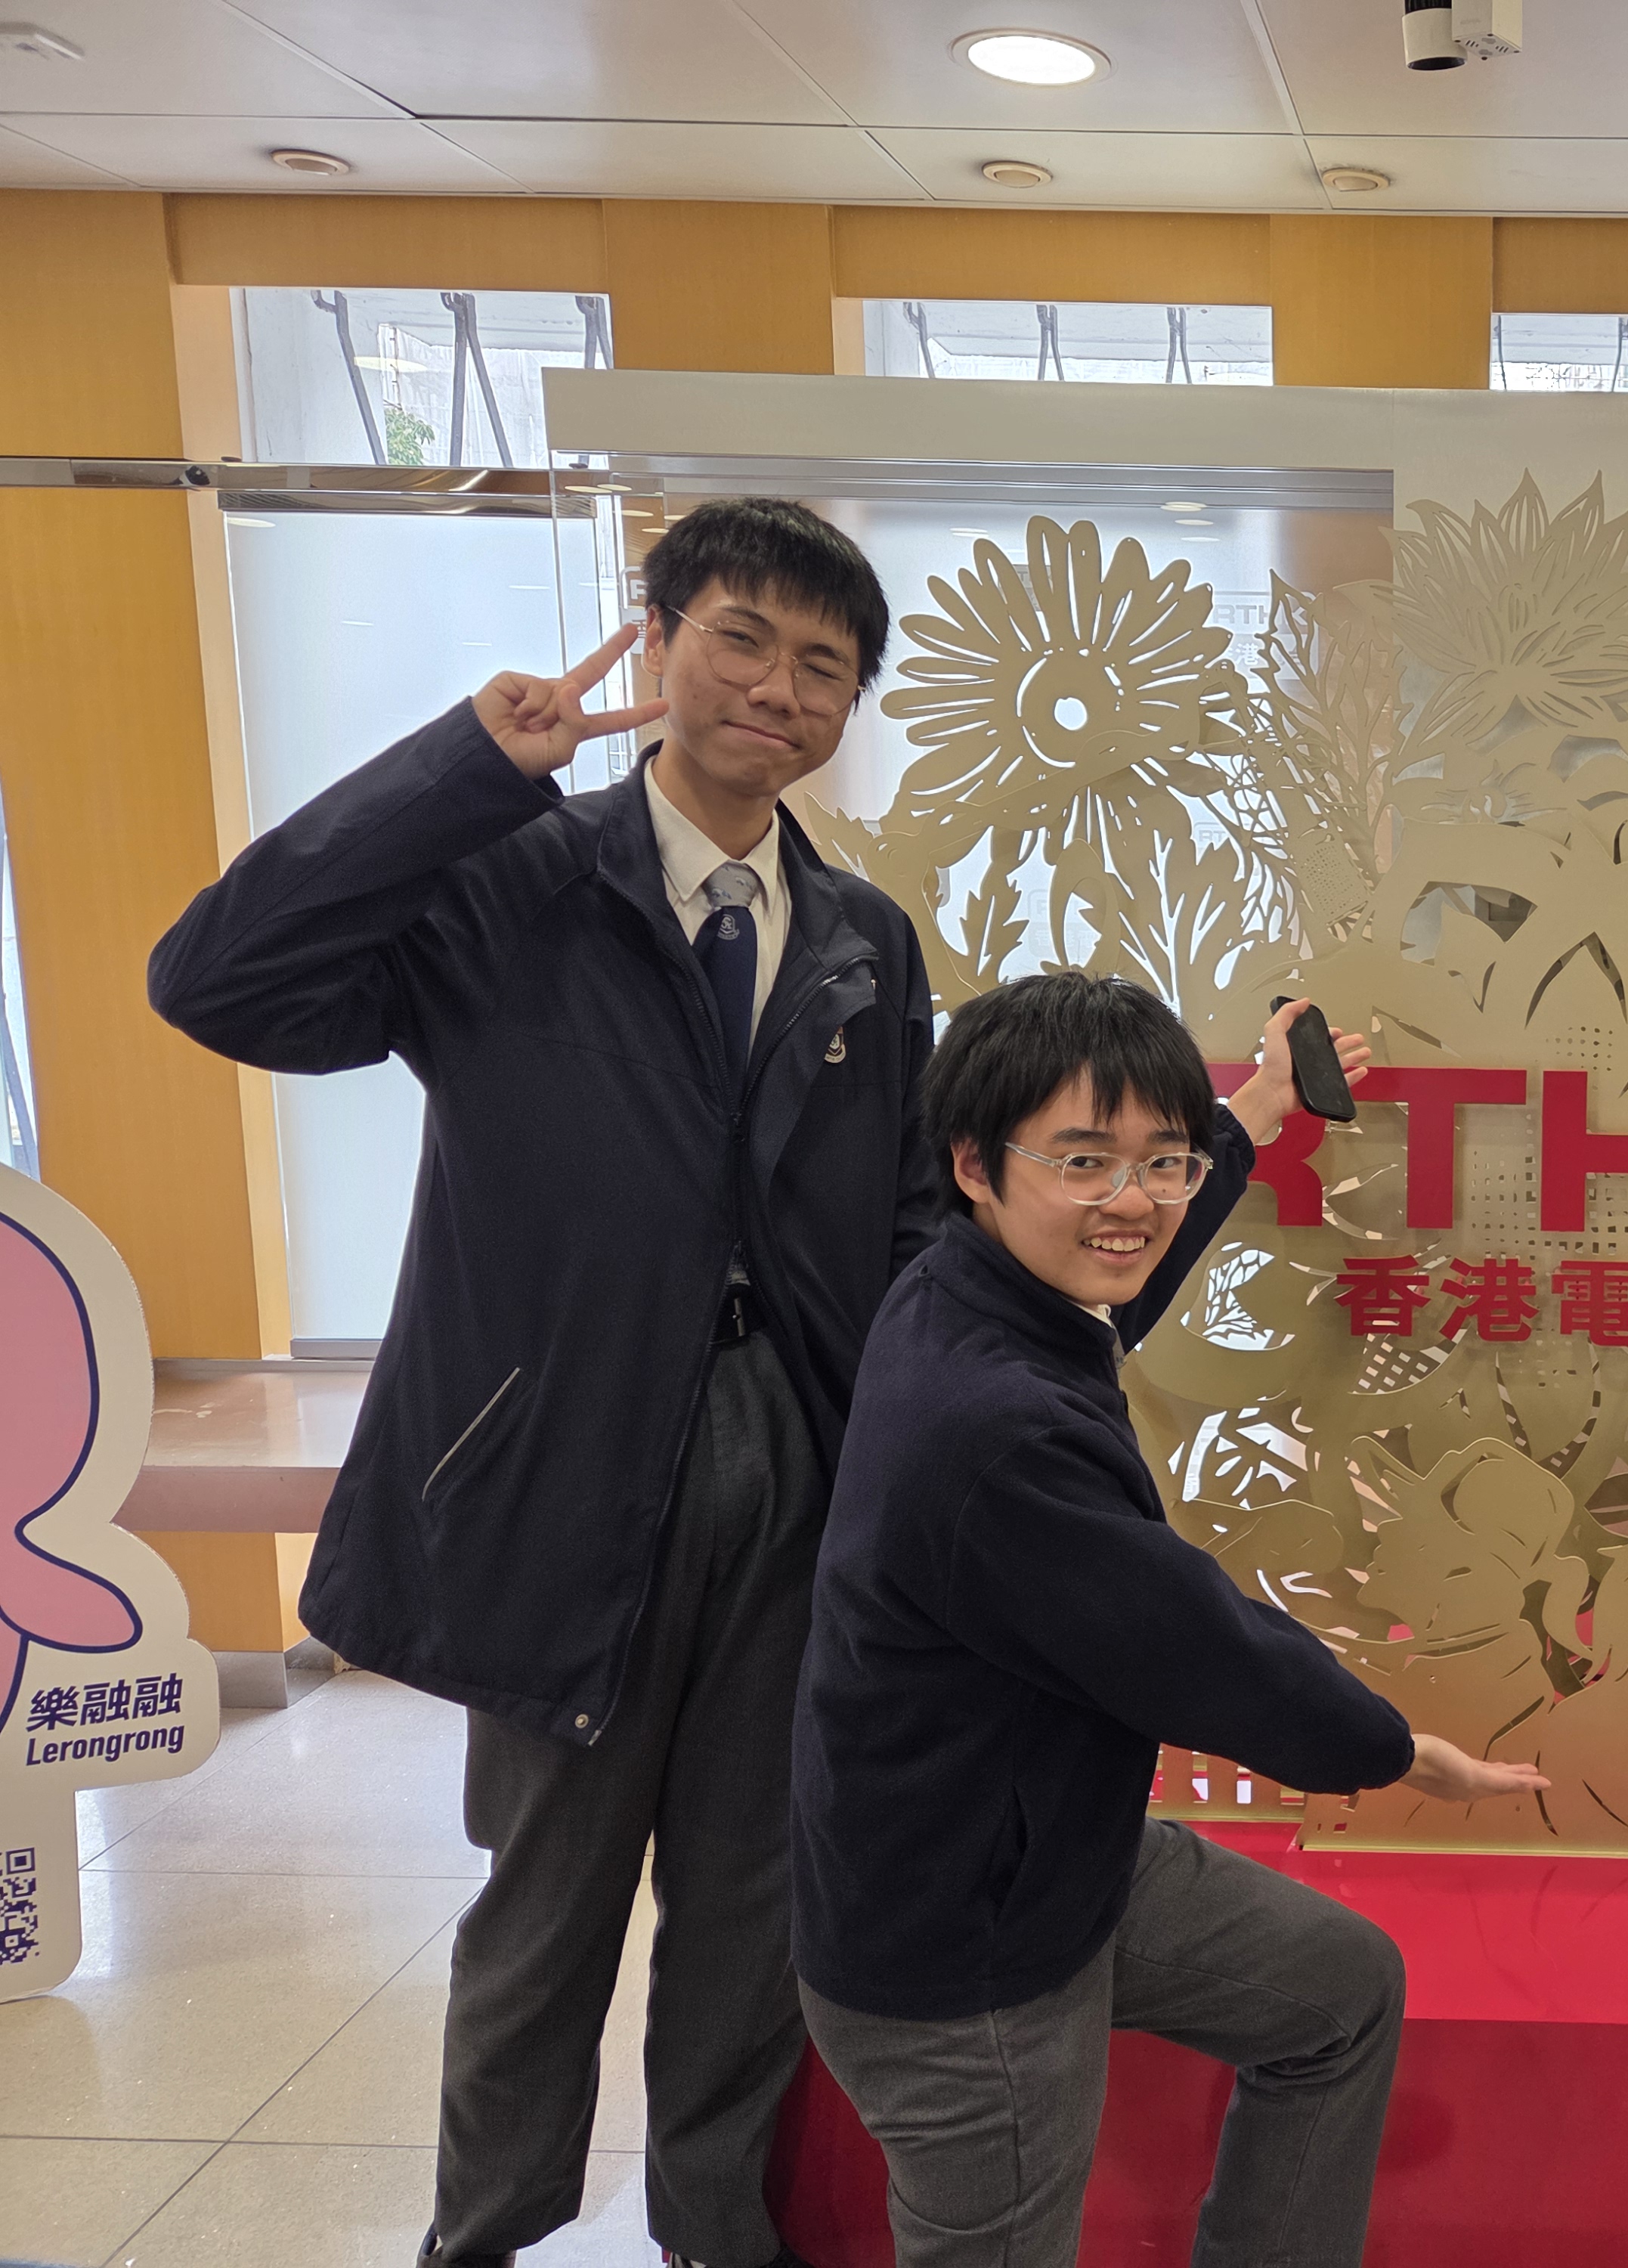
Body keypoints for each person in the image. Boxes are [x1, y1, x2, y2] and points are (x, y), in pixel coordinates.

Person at [150, 498, 938, 2268]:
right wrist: (457, 774)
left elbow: (897, 1219)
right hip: (561, 1466)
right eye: (741, 638)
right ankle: (484, 2239)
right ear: (654, 641)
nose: (778, 689)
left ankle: (716, 2234)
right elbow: (216, 981)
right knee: (546, 1906)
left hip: (789, 1471)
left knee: (750, 1903)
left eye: (824, 666)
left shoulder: (862, 940)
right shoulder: (510, 877)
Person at [790, 971, 1546, 2268]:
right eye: (1085, 1160)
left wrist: (1250, 1112)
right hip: (960, 1948)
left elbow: (1118, 1284)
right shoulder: (995, 1431)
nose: (1133, 1200)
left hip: (1040, 1849)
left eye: (1164, 1161)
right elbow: (1198, 1648)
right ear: (975, 1164)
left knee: (1340, 1990)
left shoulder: (969, 1288)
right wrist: (1396, 1749)